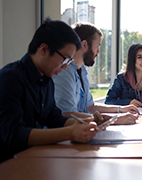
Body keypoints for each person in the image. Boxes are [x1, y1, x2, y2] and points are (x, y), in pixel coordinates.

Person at [0, 19, 110, 163]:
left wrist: (88, 121)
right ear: (44, 49)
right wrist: (70, 133)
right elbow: (14, 136)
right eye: (65, 59)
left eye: (69, 62)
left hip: (34, 159)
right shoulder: (10, 79)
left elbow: (54, 118)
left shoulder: (47, 80)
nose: (65, 67)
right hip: (9, 165)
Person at [53, 22, 138, 124]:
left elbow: (90, 107)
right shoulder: (64, 72)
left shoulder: (82, 71)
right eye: (97, 46)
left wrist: (121, 109)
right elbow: (67, 114)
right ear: (84, 45)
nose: (98, 51)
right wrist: (113, 120)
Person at [105, 44, 142, 108]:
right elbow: (108, 101)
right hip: (128, 116)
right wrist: (128, 103)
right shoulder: (121, 78)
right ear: (132, 59)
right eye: (139, 57)